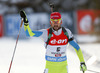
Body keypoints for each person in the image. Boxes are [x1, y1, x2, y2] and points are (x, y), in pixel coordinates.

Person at [20, 10, 87, 73]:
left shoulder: (67, 33)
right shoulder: (46, 33)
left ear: (61, 22)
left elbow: (77, 48)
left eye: (57, 21)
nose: (55, 24)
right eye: (53, 22)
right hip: (50, 68)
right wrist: (26, 23)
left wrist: (82, 62)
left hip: (63, 69)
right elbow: (29, 33)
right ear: (50, 22)